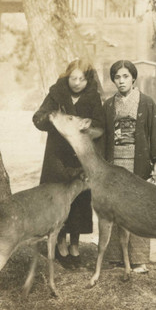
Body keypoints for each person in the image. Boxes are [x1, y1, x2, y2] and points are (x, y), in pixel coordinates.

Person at [103, 60, 156, 273]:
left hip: (139, 163)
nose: (121, 81)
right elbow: (103, 138)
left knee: (139, 211)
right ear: (113, 79)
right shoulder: (108, 105)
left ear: (134, 78)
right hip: (115, 165)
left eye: (125, 76)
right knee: (115, 209)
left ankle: (139, 259)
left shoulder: (146, 103)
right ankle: (116, 257)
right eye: (117, 77)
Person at [33, 59, 104, 268]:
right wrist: (53, 119)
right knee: (58, 198)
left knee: (80, 200)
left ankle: (75, 245)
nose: (77, 82)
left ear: (87, 80)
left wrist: (88, 125)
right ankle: (60, 245)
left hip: (80, 155)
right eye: (73, 78)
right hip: (57, 156)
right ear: (67, 77)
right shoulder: (56, 94)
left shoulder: (93, 97)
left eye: (82, 79)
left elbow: (100, 125)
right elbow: (38, 118)